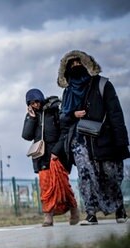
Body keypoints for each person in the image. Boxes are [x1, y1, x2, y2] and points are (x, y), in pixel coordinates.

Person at [53, 50, 129, 225]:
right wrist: (73, 114)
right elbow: (63, 119)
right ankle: (91, 212)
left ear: (88, 65)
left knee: (110, 175)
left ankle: (119, 209)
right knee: (85, 176)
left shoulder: (103, 85)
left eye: (78, 63)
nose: (75, 67)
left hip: (104, 139)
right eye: (71, 65)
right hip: (79, 142)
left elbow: (116, 114)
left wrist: (122, 143)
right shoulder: (68, 92)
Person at [22, 89, 79, 227]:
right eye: (31, 103)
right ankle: (48, 216)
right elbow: (26, 135)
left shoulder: (55, 110)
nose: (35, 105)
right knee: (45, 187)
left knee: (63, 186)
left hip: (58, 155)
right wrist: (31, 118)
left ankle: (73, 210)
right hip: (41, 157)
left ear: (41, 99)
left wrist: (57, 151)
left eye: (36, 101)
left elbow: (65, 131)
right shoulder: (32, 115)